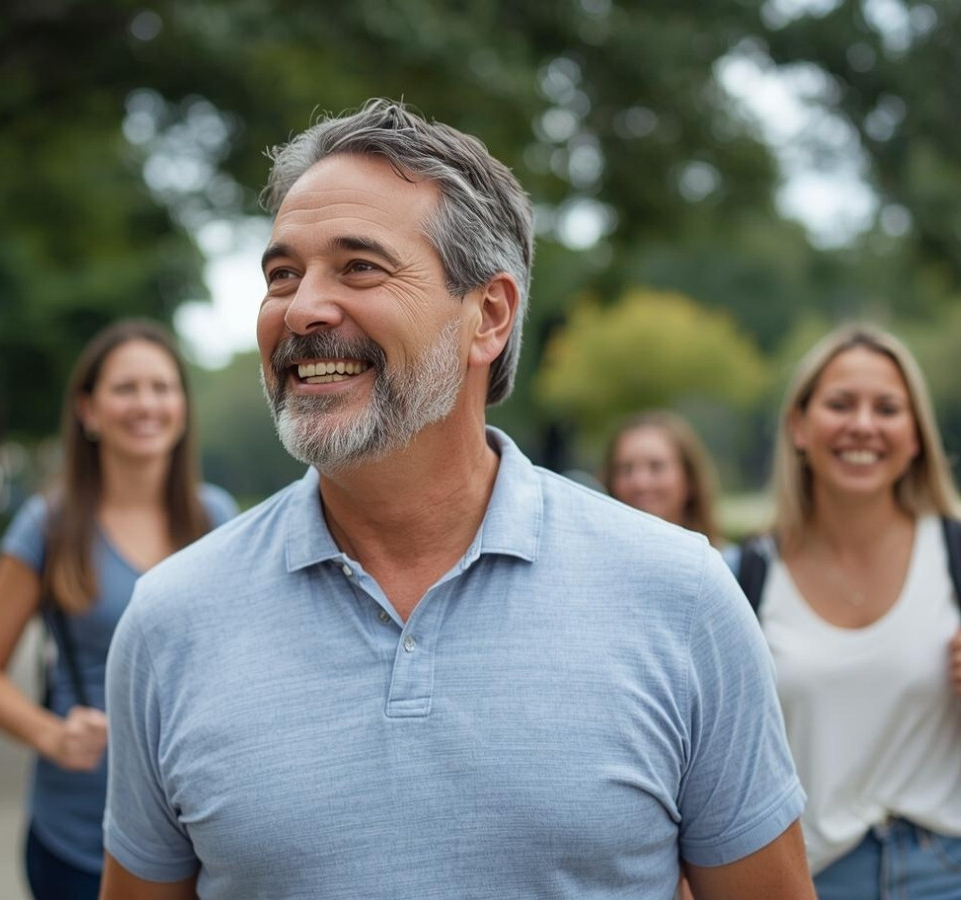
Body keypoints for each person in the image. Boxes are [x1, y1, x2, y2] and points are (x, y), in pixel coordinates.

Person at [100, 99, 814, 899]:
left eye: (360, 266)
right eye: (282, 274)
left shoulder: (681, 595)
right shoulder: (169, 620)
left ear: (490, 316)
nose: (301, 309)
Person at [0, 319, 237, 899]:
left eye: (162, 387)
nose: (146, 404)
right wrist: (52, 735)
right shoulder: (48, 527)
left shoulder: (217, 519)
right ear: (88, 411)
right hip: (79, 834)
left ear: (182, 407)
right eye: (125, 388)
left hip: (203, 822)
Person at [734, 323, 961, 899]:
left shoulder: (955, 555)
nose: (863, 424)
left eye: (887, 408)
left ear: (914, 436)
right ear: (800, 427)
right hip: (804, 878)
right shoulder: (743, 579)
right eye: (840, 404)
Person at [603, 409, 724, 545]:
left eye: (656, 466)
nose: (640, 483)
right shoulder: (591, 563)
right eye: (626, 469)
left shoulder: (728, 564)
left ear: (690, 478)